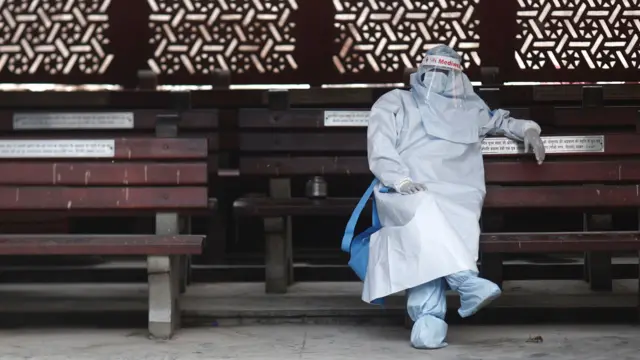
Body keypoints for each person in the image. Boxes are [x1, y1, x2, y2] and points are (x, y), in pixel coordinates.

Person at [364, 45, 546, 349]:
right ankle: (464, 282)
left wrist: (528, 129)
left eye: (448, 74)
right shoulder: (396, 101)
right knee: (423, 219)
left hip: (460, 191)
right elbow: (380, 144)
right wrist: (399, 179)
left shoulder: (470, 108)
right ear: (421, 72)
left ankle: (429, 320)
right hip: (407, 188)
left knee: (439, 233)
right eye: (435, 72)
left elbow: (500, 122)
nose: (441, 80)